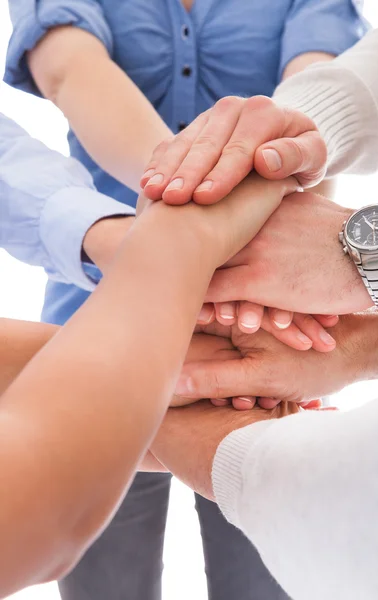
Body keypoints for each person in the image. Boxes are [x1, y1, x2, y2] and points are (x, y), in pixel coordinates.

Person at [4, 2, 367, 598]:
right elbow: (69, 70)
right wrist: (189, 218)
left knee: (261, 579)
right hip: (107, 323)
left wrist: (195, 237)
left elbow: (314, 103)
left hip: (258, 349)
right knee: (104, 580)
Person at [0, 111, 297, 598]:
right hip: (165, 331)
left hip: (203, 354)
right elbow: (36, 521)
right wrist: (186, 230)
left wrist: (167, 376)